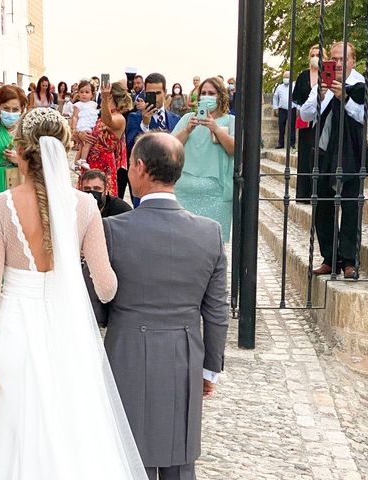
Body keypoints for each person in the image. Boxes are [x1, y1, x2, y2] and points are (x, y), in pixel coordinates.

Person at [0, 107, 147, 479]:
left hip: (16, 328)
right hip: (70, 332)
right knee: (73, 427)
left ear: (19, 149)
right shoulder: (84, 205)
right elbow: (107, 286)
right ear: (65, 148)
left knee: (20, 429)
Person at [88, 132, 228, 480]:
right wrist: (209, 367)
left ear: (138, 167)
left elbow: (99, 302)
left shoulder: (111, 229)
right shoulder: (210, 232)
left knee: (128, 455)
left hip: (126, 349)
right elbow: (216, 310)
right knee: (179, 459)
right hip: (184, 353)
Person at [300, 42, 368, 279]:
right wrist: (320, 95)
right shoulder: (322, 82)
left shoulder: (366, 83)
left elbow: (364, 115)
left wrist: (344, 97)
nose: (339, 63)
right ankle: (330, 258)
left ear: (353, 61)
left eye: (343, 59)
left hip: (351, 153)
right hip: (324, 153)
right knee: (322, 206)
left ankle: (349, 262)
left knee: (351, 206)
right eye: (334, 58)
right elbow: (305, 114)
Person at [173, 77, 235, 242]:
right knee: (184, 242)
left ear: (220, 96)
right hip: (185, 193)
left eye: (211, 93)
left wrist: (215, 128)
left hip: (215, 194)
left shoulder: (230, 121)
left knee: (213, 244)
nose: (206, 96)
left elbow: (234, 149)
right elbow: (170, 147)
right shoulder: (187, 119)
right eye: (204, 93)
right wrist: (187, 130)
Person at [126, 72, 181, 206]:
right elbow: (131, 146)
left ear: (165, 92)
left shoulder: (176, 119)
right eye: (150, 93)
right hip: (146, 182)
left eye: (158, 93)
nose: (154, 97)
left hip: (172, 186)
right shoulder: (135, 118)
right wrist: (145, 125)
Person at [83, 81, 132, 197]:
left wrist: (104, 99)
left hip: (104, 163)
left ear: (110, 95)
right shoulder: (101, 115)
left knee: (102, 196)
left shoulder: (119, 118)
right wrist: (81, 135)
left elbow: (107, 121)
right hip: (91, 160)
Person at [293, 44, 323, 203]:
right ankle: (304, 194)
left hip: (322, 120)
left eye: (318, 54)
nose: (315, 57)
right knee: (305, 155)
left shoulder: (326, 74)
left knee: (319, 154)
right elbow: (296, 97)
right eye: (312, 54)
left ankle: (318, 192)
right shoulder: (303, 75)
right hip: (305, 121)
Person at [71, 80, 98, 169]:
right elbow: (75, 117)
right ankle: (83, 160)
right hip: (83, 126)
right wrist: (74, 128)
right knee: (87, 143)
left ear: (92, 94)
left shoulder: (93, 104)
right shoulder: (78, 105)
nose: (84, 94)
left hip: (90, 125)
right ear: (78, 93)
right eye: (81, 92)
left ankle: (75, 163)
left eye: (87, 92)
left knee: (82, 146)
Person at [272, 71, 296, 149]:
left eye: (287, 77)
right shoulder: (279, 87)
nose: (286, 79)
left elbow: (297, 97)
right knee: (281, 127)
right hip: (282, 109)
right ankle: (281, 143)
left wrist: (297, 108)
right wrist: (275, 108)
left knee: (292, 127)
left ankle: (292, 144)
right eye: (285, 77)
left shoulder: (294, 86)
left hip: (292, 109)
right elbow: (275, 98)